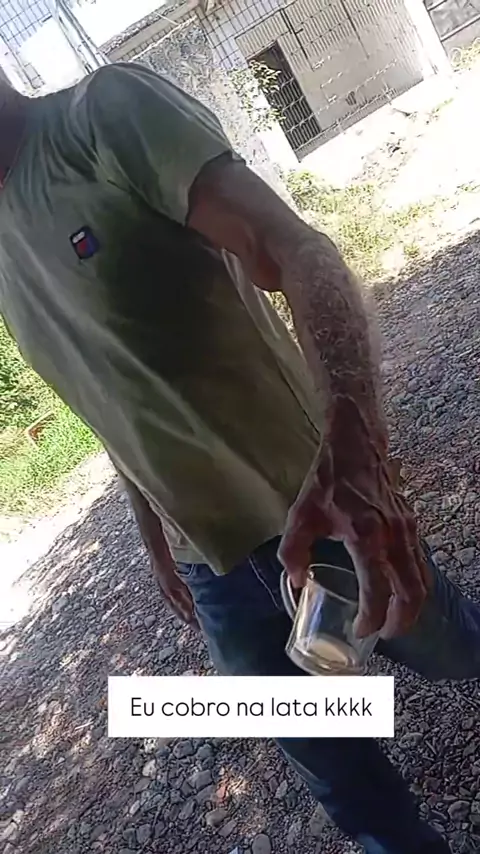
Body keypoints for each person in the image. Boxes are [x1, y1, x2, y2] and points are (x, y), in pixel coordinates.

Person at [0, 61, 478, 854]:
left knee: (448, 647)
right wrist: (156, 539)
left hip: (317, 513)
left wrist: (358, 447)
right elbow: (109, 389)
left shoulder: (102, 117)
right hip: (212, 573)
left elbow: (296, 249)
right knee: (342, 782)